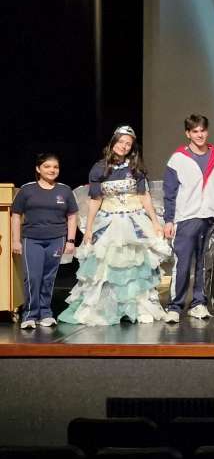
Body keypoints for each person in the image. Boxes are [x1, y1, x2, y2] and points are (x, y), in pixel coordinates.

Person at [60, 126, 172, 326]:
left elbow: (144, 196)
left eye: (128, 144)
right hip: (109, 221)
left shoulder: (136, 168)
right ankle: (109, 309)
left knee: (136, 264)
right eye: (121, 142)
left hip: (135, 220)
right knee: (106, 266)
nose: (124, 146)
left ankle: (138, 308)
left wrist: (155, 222)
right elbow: (95, 200)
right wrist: (90, 228)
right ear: (113, 142)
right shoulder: (99, 168)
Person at [163, 114, 214, 321]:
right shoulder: (178, 158)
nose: (200, 135)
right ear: (188, 133)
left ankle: (199, 303)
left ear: (207, 131)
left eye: (202, 130)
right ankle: (175, 306)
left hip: (212, 216)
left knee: (205, 264)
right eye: (195, 131)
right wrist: (169, 220)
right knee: (182, 264)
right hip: (187, 217)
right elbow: (169, 192)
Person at [11, 154, 78, 329]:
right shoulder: (27, 190)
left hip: (56, 239)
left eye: (55, 167)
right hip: (32, 239)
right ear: (38, 169)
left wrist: (70, 241)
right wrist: (16, 240)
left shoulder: (64, 190)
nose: (52, 170)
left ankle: (46, 313)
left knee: (49, 278)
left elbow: (72, 216)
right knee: (33, 277)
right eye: (47, 166)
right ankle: (30, 314)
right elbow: (16, 215)